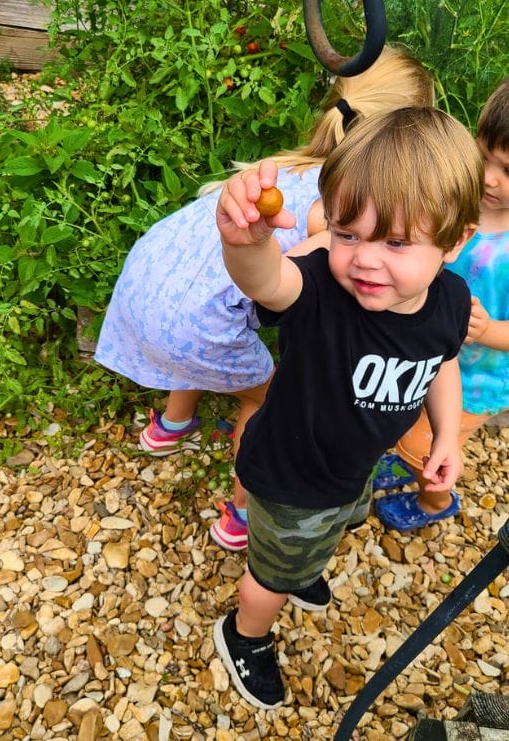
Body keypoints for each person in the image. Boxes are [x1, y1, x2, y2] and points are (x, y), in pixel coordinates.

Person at [94, 45, 435, 552]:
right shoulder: (336, 206)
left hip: (148, 284)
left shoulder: (286, 164)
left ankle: (171, 424)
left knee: (203, 336)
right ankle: (240, 513)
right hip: (194, 322)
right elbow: (299, 285)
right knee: (266, 398)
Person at [212, 106, 483, 710]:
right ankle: (244, 634)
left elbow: (443, 361)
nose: (364, 259)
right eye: (347, 233)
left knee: (334, 529)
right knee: (271, 578)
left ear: (456, 240)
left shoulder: (449, 300)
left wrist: (447, 436)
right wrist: (247, 244)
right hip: (292, 478)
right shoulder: (322, 291)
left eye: (394, 242)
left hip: (351, 469)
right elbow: (267, 282)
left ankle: (304, 566)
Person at [373, 77, 509, 530]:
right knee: (405, 424)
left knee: (428, 446)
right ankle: (410, 458)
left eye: (508, 171)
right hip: (423, 349)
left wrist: (487, 331)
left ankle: (435, 502)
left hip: (474, 378)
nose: (489, 178)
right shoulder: (459, 196)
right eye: (484, 156)